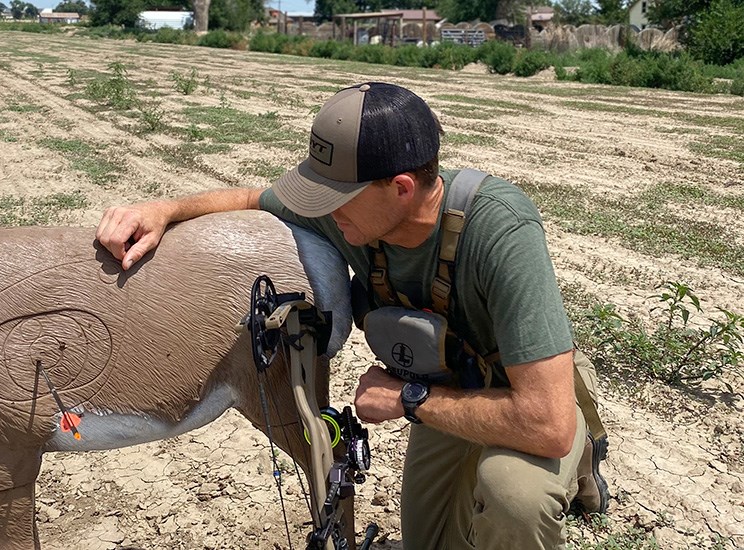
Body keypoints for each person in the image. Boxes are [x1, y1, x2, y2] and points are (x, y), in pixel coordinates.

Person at [96, 82, 607, 550]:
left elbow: (546, 422)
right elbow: (250, 199)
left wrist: (411, 399)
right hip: (452, 385)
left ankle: (583, 463)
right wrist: (164, 209)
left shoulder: (502, 230)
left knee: (514, 498)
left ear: (402, 188)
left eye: (335, 197)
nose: (324, 210)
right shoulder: (357, 212)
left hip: (522, 396)